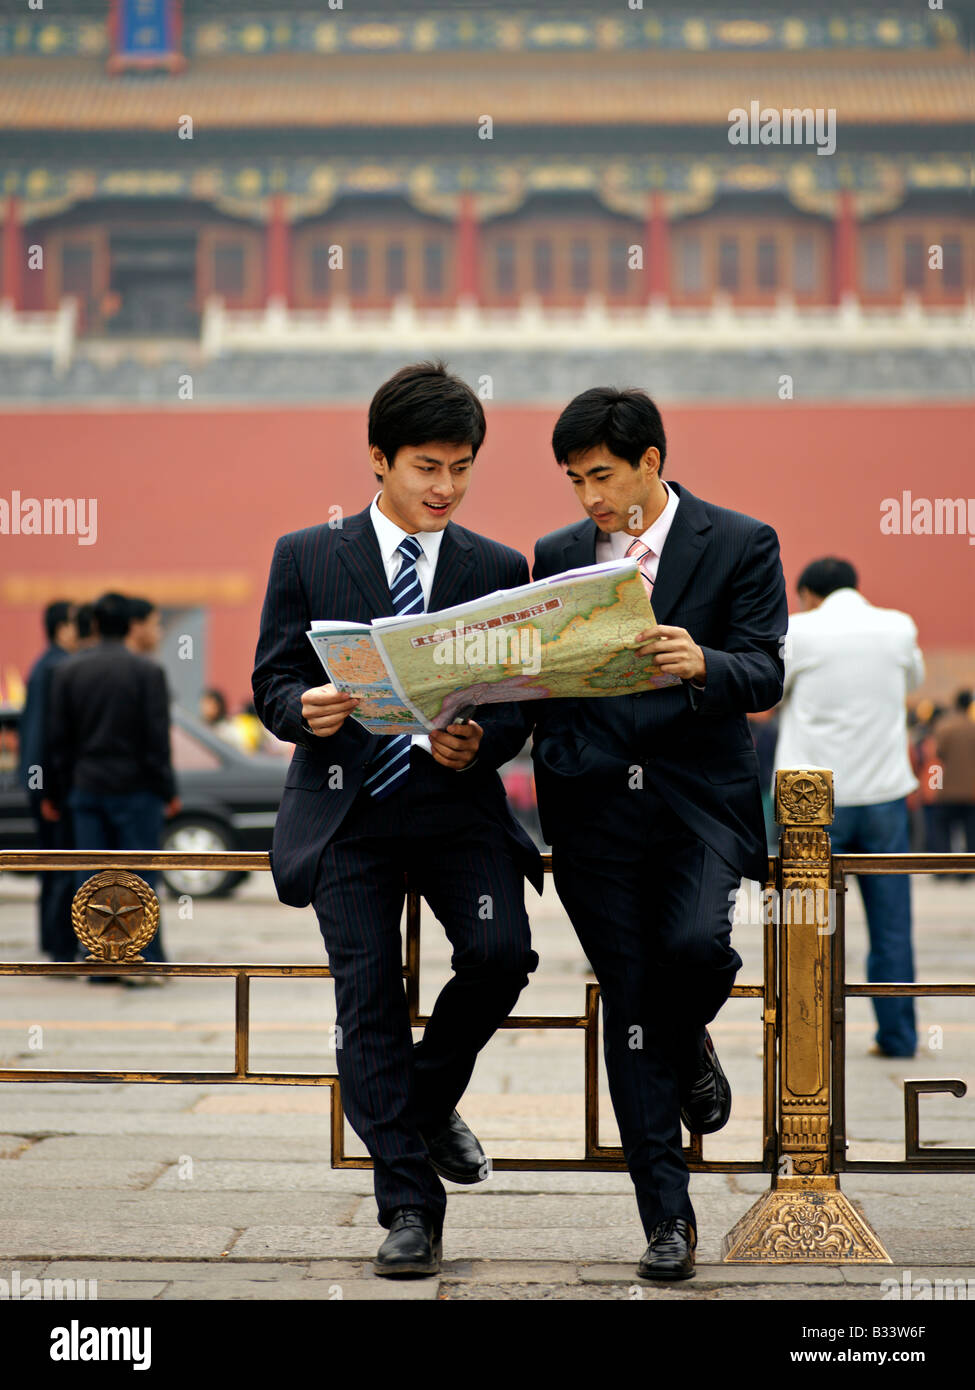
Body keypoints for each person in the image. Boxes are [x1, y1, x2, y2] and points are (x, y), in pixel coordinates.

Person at [252, 361, 542, 1278]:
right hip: (348, 816)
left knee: (502, 957)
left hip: (455, 811)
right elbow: (271, 682)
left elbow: (518, 699)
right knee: (367, 1000)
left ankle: (421, 1097)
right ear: (378, 460)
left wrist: (481, 742)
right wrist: (307, 710)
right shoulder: (307, 554)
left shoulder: (495, 568)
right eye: (426, 466)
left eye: (461, 467)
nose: (445, 488)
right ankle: (410, 1208)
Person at [530, 386, 787, 1281]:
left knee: (694, 949)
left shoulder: (741, 542)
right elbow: (546, 676)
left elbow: (763, 670)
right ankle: (666, 1223)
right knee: (630, 1002)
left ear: (652, 461)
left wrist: (702, 662)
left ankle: (690, 1041)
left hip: (698, 803)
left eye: (600, 475)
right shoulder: (558, 555)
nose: (588, 498)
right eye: (573, 481)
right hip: (591, 806)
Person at [775, 557, 924, 1058]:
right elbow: (913, 682)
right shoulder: (897, 626)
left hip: (813, 802)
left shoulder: (799, 630)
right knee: (892, 926)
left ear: (809, 595)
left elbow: (771, 694)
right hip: (883, 795)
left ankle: (804, 1042)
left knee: (806, 925)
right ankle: (898, 1036)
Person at [46, 591, 180, 976]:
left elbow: (58, 743)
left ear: (96, 623)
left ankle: (98, 959)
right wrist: (168, 791)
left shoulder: (68, 671)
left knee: (90, 874)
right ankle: (145, 957)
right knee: (140, 875)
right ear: (129, 625)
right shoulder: (146, 672)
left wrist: (55, 793)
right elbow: (157, 742)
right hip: (137, 790)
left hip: (86, 788)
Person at [18, 600, 79, 961]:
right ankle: (60, 944)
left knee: (51, 866)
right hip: (50, 788)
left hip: (41, 784)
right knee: (61, 866)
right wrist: (47, 791)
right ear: (61, 628)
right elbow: (45, 735)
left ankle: (51, 940)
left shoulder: (46, 664)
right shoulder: (57, 666)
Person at [929, 690, 975, 875]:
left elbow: (938, 753)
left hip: (947, 789)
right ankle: (968, 870)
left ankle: (943, 869)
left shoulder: (944, 727)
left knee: (943, 831)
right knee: (970, 832)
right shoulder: (972, 728)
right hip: (971, 791)